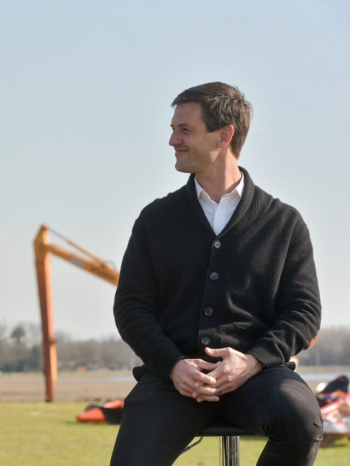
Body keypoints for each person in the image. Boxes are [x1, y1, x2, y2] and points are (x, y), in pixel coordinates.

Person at [111, 82, 322, 465]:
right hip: (173, 377)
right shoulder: (155, 220)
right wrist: (173, 365)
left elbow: (304, 312)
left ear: (224, 135)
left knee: (302, 421)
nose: (173, 140)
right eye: (173, 129)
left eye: (185, 130)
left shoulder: (284, 223)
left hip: (259, 376)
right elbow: (130, 306)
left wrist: (253, 361)